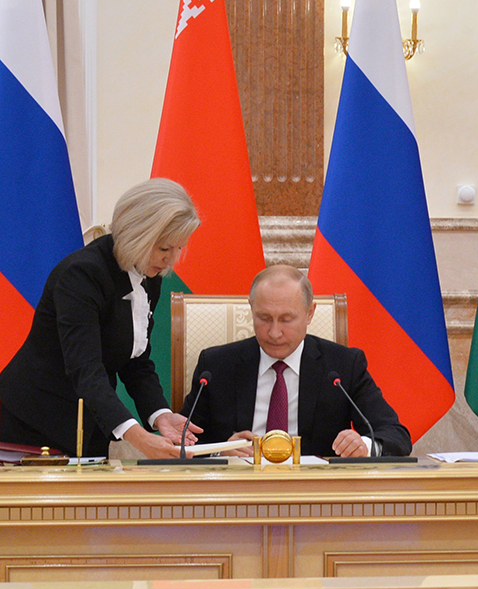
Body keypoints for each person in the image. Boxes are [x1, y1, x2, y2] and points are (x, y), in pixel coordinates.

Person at [0, 179, 199, 459]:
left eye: (179, 248)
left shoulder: (148, 275)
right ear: (136, 234)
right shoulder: (81, 275)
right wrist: (137, 436)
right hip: (31, 426)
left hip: (88, 425)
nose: (172, 260)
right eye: (165, 249)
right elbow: (86, 369)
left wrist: (160, 415)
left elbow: (136, 361)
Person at [183, 264, 412, 458]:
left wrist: (364, 445)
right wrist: (220, 452)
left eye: (286, 319)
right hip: (237, 489)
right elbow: (183, 442)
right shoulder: (216, 366)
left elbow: (396, 435)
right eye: (264, 318)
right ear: (251, 309)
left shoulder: (343, 366)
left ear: (310, 313)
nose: (274, 332)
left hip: (316, 491)